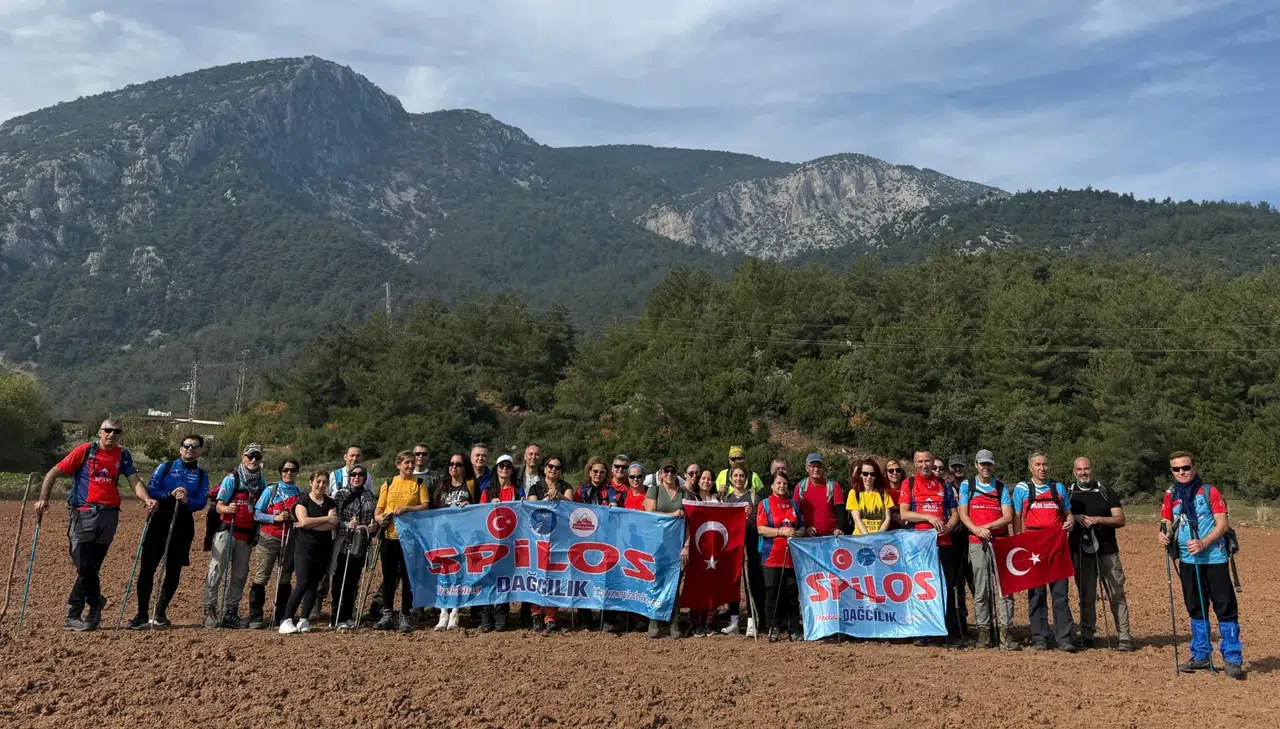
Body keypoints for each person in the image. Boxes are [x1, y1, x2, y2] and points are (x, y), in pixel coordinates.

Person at [34, 418, 153, 631]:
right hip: (84, 512)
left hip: (109, 515)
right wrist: (44, 498)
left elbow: (134, 480)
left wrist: (146, 498)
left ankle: (74, 615)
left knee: (92, 567)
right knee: (84, 563)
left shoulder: (123, 455)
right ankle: (96, 601)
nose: (112, 434)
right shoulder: (86, 450)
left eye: (117, 431)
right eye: (108, 430)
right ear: (100, 432)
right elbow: (53, 472)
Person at [1159, 451, 1244, 679]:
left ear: (1193, 467)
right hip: (1187, 560)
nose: (1181, 472)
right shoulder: (1172, 495)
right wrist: (1164, 534)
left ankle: (1232, 659)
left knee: (1225, 608)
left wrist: (1204, 542)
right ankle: (1201, 656)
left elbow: (1223, 524)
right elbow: (1167, 520)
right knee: (1196, 608)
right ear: (1172, 471)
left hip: (1214, 559)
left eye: (1185, 467)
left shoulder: (1209, 491)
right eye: (1176, 469)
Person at [127, 434, 209, 629]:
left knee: (173, 570)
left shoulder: (202, 474)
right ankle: (141, 614)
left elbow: (201, 502)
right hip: (160, 518)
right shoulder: (165, 467)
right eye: (187, 446)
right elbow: (152, 490)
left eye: (195, 447)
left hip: (183, 522)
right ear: (181, 449)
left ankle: (161, 612)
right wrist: (169, 495)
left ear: (199, 451)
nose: (190, 449)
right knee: (147, 568)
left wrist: (187, 499)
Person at [1012, 452, 1077, 652]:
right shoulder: (1022, 489)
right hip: (1033, 546)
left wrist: (1070, 521)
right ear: (1030, 468)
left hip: (1056, 546)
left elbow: (1068, 512)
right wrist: (1018, 543)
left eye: (1045, 464)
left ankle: (1064, 638)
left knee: (1060, 594)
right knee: (1036, 594)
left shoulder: (1057, 488)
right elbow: (1016, 517)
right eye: (1038, 465)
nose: (1042, 468)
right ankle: (1040, 637)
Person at [899, 450, 964, 648]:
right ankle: (922, 631)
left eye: (927, 461)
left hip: (943, 544)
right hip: (918, 545)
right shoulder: (908, 484)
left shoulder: (944, 485)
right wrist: (928, 517)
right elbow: (904, 514)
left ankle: (947, 631)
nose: (925, 465)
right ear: (915, 463)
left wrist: (949, 526)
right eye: (920, 462)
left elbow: (955, 514)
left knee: (946, 587)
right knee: (921, 589)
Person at [1068, 457, 1133, 651]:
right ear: (1074, 472)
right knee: (1086, 595)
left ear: (1091, 470)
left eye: (1086, 469)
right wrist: (1075, 517)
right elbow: (1062, 516)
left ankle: (1124, 636)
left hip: (1107, 550)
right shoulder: (1068, 493)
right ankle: (1087, 635)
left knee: (1116, 593)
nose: (1083, 472)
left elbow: (1120, 519)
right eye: (1079, 469)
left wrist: (1099, 520)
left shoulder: (1105, 492)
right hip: (1081, 551)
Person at [957, 449, 1017, 650]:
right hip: (976, 542)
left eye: (989, 464)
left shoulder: (1001, 488)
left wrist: (988, 527)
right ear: (976, 465)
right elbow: (963, 515)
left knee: (1005, 589)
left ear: (994, 465)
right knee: (981, 588)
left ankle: (1005, 631)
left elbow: (1008, 517)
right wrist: (976, 530)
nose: (985, 467)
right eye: (982, 464)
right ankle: (984, 631)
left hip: (1000, 542)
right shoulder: (968, 486)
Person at [203, 443, 268, 629]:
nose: (254, 460)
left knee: (240, 575)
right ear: (243, 457)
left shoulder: (261, 482)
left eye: (258, 457)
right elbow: (219, 505)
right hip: (227, 531)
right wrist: (228, 508)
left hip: (246, 535)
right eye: (250, 456)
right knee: (216, 570)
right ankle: (209, 610)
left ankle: (231, 611)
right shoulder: (233, 479)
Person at [375, 451, 431, 633]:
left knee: (408, 577)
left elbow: (425, 506)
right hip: (390, 536)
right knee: (389, 577)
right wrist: (380, 518)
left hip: (410, 538)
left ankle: (405, 615)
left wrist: (407, 508)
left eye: (412, 463)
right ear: (398, 464)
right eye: (406, 463)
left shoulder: (419, 483)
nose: (410, 466)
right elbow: (378, 511)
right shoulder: (388, 484)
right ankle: (387, 615)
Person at [278, 472, 337, 634]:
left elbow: (332, 524)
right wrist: (324, 520)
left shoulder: (330, 502)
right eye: (318, 481)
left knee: (314, 585)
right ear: (311, 482)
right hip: (303, 548)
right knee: (302, 582)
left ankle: (304, 619)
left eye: (325, 482)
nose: (321, 485)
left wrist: (310, 523)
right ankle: (287, 619)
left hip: (323, 549)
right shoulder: (302, 500)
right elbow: (303, 521)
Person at [247, 459, 301, 629]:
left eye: (292, 470)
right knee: (261, 577)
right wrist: (274, 518)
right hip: (269, 538)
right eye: (285, 470)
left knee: (284, 578)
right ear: (280, 472)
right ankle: (255, 616)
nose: (289, 473)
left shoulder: (300, 493)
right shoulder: (271, 491)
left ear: (297, 472)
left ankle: (281, 616)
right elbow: (257, 514)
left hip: (289, 539)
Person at [524, 455, 569, 632]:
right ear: (545, 469)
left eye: (557, 467)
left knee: (554, 576)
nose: (553, 470)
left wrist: (558, 496)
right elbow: (531, 507)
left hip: (560, 536)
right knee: (536, 575)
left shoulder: (566, 487)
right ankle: (536, 615)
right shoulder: (536, 486)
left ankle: (550, 616)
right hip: (538, 536)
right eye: (550, 466)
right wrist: (547, 500)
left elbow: (572, 504)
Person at [479, 455, 524, 631]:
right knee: (487, 576)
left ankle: (501, 612)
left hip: (510, 540)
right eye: (501, 466)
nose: (504, 469)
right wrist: (490, 505)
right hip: (490, 540)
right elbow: (479, 514)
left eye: (508, 466)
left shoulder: (519, 490)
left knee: (504, 578)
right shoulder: (488, 491)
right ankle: (485, 613)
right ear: (496, 469)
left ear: (512, 470)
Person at [331, 462, 377, 630]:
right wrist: (347, 526)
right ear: (349, 477)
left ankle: (347, 614)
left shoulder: (369, 496)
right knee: (339, 580)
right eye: (353, 474)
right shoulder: (340, 495)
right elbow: (334, 519)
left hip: (361, 544)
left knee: (353, 581)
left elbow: (372, 518)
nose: (357, 477)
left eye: (360, 475)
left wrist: (373, 528)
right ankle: (336, 617)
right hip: (345, 542)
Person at [758, 471, 803, 642]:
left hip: (791, 557)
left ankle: (794, 628)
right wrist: (780, 532)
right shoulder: (765, 504)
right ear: (772, 485)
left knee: (792, 594)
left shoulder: (793, 505)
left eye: (784, 483)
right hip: (771, 557)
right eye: (778, 483)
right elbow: (761, 528)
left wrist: (797, 532)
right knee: (772, 594)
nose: (782, 486)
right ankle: (773, 627)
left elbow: (802, 526)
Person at [646, 459, 688, 639]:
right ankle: (654, 619)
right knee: (656, 581)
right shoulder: (654, 490)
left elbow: (690, 521)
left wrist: (686, 545)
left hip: (677, 544)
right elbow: (650, 513)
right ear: (661, 473)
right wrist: (671, 515)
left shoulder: (684, 493)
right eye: (666, 471)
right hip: (657, 544)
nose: (669, 474)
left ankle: (674, 620)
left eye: (672, 471)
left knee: (674, 583)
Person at [433, 453, 475, 631]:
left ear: (464, 467)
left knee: (460, 574)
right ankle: (443, 612)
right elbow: (433, 509)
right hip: (443, 535)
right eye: (451, 464)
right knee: (443, 574)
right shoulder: (442, 485)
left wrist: (470, 507)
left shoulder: (471, 485)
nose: (454, 467)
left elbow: (480, 508)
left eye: (458, 464)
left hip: (463, 536)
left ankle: (455, 612)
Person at [721, 466, 763, 637]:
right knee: (733, 583)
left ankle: (752, 622)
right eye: (735, 476)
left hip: (751, 546)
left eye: (742, 476)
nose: (739, 478)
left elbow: (759, 525)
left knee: (751, 582)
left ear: (746, 478)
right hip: (732, 547)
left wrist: (751, 514)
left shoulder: (754, 498)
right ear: (731, 478)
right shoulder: (726, 499)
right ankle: (734, 622)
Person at [793, 452, 847, 538]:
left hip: (831, 538)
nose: (816, 469)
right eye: (812, 466)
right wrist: (805, 528)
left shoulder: (833, 486)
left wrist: (840, 528)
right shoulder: (800, 487)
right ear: (806, 468)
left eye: (819, 466)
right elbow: (795, 512)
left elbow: (841, 511)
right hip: (808, 539)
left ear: (823, 468)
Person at [847, 459, 894, 533]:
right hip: (860, 539)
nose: (869, 477)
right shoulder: (853, 493)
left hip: (879, 538)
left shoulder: (884, 493)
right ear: (860, 474)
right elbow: (857, 520)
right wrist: (868, 537)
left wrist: (878, 535)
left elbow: (888, 518)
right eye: (865, 474)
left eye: (872, 474)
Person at [884, 459, 906, 528]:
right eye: (891, 471)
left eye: (898, 470)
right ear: (886, 473)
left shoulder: (908, 489)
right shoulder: (883, 491)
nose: (895, 473)